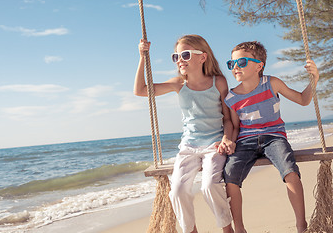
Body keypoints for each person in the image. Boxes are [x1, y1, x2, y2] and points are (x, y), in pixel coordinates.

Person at [134, 34, 234, 233]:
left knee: (209, 186)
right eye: (176, 56)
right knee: (177, 191)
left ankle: (227, 229)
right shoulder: (179, 84)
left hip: (213, 145)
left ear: (202, 57)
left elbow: (227, 119)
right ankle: (190, 230)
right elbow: (141, 90)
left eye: (185, 55)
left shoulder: (218, 83)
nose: (179, 59)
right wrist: (142, 57)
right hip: (188, 147)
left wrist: (226, 138)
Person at [223, 41, 319, 233]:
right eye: (231, 63)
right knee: (230, 174)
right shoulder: (231, 97)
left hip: (274, 137)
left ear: (259, 65)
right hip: (246, 140)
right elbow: (234, 125)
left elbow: (302, 100)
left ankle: (302, 225)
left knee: (289, 170)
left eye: (241, 62)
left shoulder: (271, 83)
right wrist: (229, 140)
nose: (235, 67)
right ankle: (239, 228)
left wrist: (314, 79)